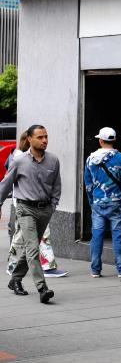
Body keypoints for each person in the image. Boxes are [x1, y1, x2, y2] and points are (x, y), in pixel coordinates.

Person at [0, 125, 60, 303]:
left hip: (45, 209)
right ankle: (42, 288)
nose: (44, 140)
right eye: (40, 137)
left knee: (30, 249)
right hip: (25, 209)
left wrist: (53, 206)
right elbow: (5, 184)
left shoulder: (53, 160)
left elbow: (57, 186)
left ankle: (15, 279)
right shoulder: (19, 161)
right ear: (30, 139)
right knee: (33, 248)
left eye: (46, 137)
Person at [83, 127, 121, 278]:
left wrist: (92, 201)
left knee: (97, 235)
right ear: (114, 140)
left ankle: (95, 269)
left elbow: (88, 185)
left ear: (100, 141)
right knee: (118, 235)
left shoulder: (91, 159)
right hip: (116, 202)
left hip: (98, 202)